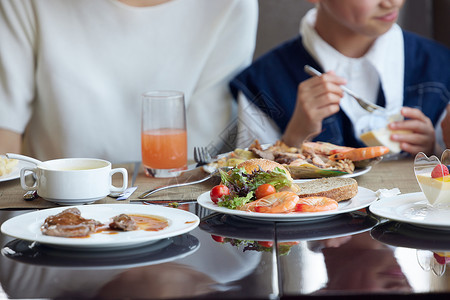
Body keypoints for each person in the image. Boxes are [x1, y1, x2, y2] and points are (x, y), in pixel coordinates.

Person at [0, 0, 258, 162]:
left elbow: (198, 157)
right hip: (50, 214)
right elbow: (4, 135)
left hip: (174, 215)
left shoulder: (230, 6)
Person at [230, 0, 450, 157]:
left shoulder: (441, 65)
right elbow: (250, 182)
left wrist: (435, 151)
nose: (392, 2)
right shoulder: (263, 82)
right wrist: (293, 139)